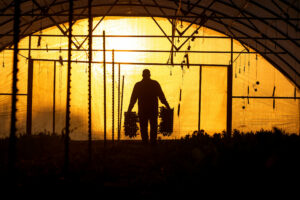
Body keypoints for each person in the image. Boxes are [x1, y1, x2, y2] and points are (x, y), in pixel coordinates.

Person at [127, 69, 170, 145]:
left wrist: (129, 110)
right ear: (149, 75)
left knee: (144, 128)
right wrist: (168, 106)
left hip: (143, 110)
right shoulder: (154, 84)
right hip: (152, 109)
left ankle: (145, 143)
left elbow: (133, 99)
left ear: (142, 75)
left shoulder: (138, 85)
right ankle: (152, 143)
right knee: (153, 127)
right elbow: (162, 97)